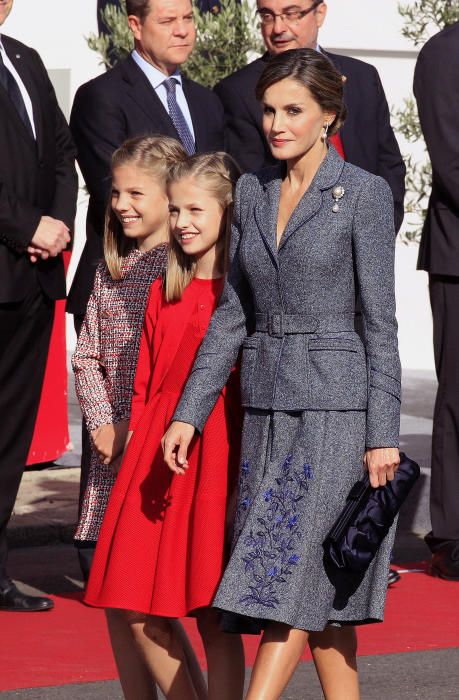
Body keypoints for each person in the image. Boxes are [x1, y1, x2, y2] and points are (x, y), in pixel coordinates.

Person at [163, 49, 401, 700]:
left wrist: (382, 433)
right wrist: (189, 411)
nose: (276, 124)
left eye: (292, 111)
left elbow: (379, 322)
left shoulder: (363, 195)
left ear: (328, 115)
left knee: (287, 579)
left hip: (333, 413)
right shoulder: (251, 188)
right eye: (268, 110)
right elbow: (233, 312)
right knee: (323, 609)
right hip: (265, 407)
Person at [67, 0, 225, 578]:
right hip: (121, 271)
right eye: (169, 20)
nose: (184, 29)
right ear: (135, 27)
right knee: (117, 409)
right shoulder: (102, 96)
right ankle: (103, 545)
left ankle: (166, 540)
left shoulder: (207, 102)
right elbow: (114, 190)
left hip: (191, 279)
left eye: (189, 18)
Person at [85, 152, 245, 700]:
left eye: (195, 209)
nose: (182, 223)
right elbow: (144, 386)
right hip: (151, 457)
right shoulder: (165, 287)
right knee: (132, 606)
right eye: (175, 210)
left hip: (214, 458)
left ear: (228, 211)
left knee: (212, 617)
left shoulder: (242, 296)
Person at [72, 135, 186, 582]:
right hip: (111, 445)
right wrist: (102, 424)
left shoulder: (186, 272)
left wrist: (132, 429)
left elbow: (177, 367)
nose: (121, 204)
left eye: (136, 193)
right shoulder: (109, 269)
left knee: (150, 589)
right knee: (116, 588)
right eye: (117, 192)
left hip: (158, 441)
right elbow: (86, 356)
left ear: (170, 196)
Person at [0, 0, 77, 612]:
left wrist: (58, 224)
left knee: (10, 440)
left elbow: (61, 152)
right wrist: (25, 225)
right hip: (11, 255)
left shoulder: (25, 59)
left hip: (33, 280)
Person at [214, 0, 406, 232]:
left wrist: (378, 233)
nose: (278, 28)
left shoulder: (362, 76)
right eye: (267, 16)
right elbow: (254, 183)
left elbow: (389, 165)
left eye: (291, 14)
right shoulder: (238, 90)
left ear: (320, 13)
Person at [414, 21, 459, 582]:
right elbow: (452, 162)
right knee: (458, 398)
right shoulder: (446, 53)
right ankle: (452, 534)